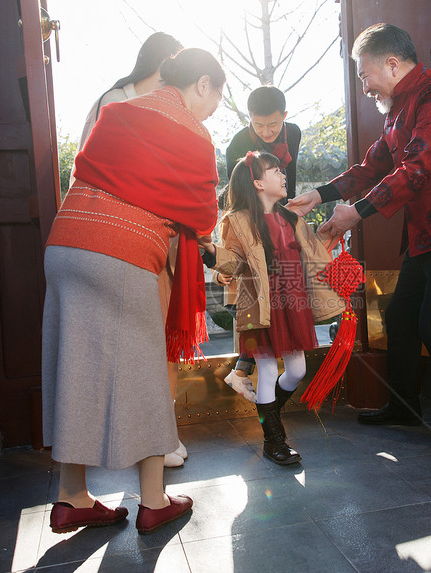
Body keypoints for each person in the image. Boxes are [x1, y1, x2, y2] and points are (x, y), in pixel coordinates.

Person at [288, 23, 431, 466]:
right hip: (429, 236)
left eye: (364, 75)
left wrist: (356, 212)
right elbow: (374, 167)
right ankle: (405, 408)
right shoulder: (397, 108)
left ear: (391, 62)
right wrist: (322, 194)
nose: (364, 86)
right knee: (402, 317)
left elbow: (417, 169)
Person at [41, 48, 225, 535]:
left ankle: (71, 496)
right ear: (202, 84)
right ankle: (153, 500)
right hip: (121, 254)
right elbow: (204, 215)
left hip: (64, 246)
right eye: (215, 100)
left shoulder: (116, 112)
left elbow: (89, 168)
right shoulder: (194, 132)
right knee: (145, 371)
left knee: (74, 366)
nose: (211, 112)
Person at [75, 31, 188, 469]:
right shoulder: (113, 103)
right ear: (166, 65)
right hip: (109, 241)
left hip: (157, 243)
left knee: (160, 342)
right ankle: (128, 443)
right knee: (113, 347)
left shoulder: (168, 109)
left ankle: (162, 437)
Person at [201, 151, 344, 465]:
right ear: (257, 183)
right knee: (266, 369)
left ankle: (270, 414)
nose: (283, 175)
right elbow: (235, 262)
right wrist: (212, 252)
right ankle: (274, 441)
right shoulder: (237, 221)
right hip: (259, 304)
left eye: (282, 170)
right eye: (275, 170)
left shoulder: (291, 217)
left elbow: (313, 252)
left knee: (297, 370)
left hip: (292, 302)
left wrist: (333, 232)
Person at [216, 86, 302, 399]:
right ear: (249, 119)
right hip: (249, 223)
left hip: (277, 219)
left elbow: (286, 182)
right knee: (259, 300)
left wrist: (287, 220)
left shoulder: (293, 133)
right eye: (259, 125)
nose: (266, 132)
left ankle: (242, 373)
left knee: (275, 302)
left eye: (273, 125)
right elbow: (236, 197)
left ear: (285, 118)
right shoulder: (238, 144)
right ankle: (245, 374)